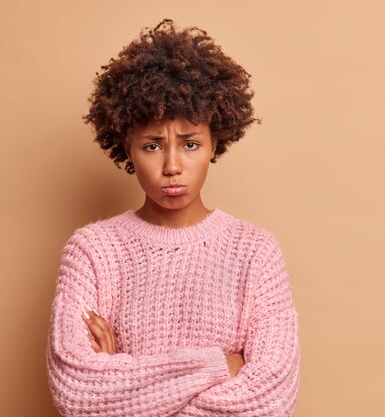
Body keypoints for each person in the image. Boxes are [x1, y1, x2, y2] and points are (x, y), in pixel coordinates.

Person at [46, 19, 300, 416]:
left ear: (216, 141)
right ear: (125, 147)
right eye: (151, 145)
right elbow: (77, 393)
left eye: (190, 144)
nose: (172, 166)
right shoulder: (93, 252)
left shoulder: (255, 253)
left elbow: (269, 401)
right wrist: (220, 365)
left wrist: (124, 382)